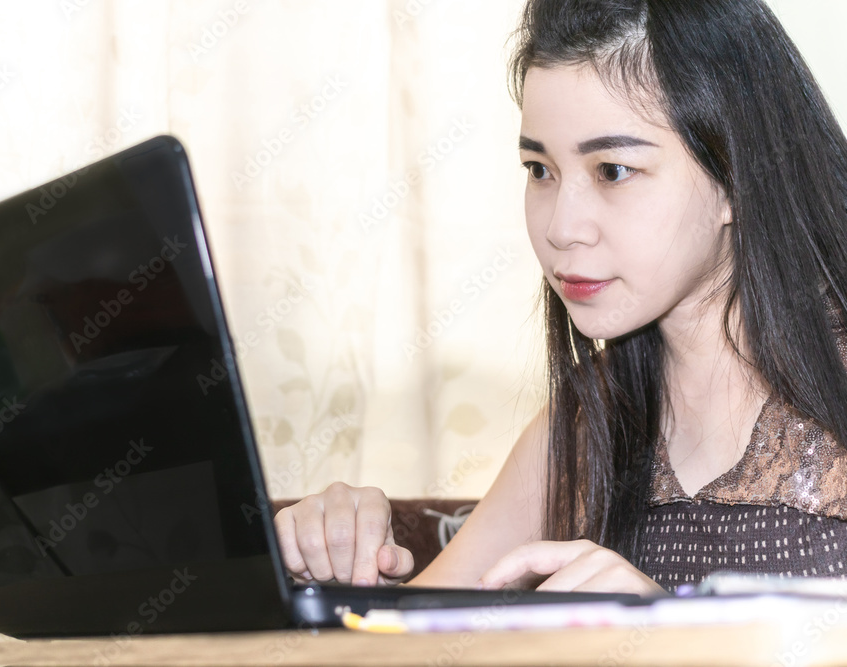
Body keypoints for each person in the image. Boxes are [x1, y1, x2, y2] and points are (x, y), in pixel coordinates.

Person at [275, 0, 847, 595]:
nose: (562, 227)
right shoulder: (584, 423)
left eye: (612, 170)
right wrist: (331, 569)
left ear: (737, 178)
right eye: (540, 169)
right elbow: (411, 645)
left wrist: (670, 641)